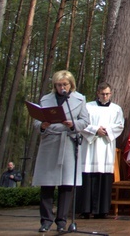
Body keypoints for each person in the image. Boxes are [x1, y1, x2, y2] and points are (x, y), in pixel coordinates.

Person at [33, 70, 89, 233]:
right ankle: (46, 220)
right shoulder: (46, 99)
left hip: (68, 142)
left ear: (71, 85)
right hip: (50, 141)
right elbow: (37, 120)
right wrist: (41, 126)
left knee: (66, 185)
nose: (62, 87)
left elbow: (85, 121)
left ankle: (62, 220)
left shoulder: (80, 99)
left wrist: (73, 124)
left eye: (65, 84)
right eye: (59, 85)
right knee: (47, 184)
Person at [78, 82, 125, 219]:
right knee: (88, 176)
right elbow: (82, 123)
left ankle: (102, 210)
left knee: (104, 177)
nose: (105, 96)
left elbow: (120, 125)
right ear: (98, 93)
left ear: (111, 94)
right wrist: (95, 130)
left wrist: (107, 131)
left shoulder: (116, 109)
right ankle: (85, 209)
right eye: (102, 94)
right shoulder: (88, 107)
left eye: (107, 94)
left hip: (106, 146)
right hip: (90, 147)